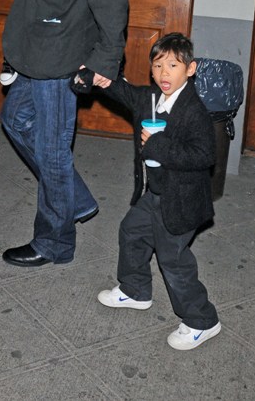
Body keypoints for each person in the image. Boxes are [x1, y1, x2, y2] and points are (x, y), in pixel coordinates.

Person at [1, 0, 129, 267]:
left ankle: (54, 242)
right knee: (15, 119)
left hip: (61, 50)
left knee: (52, 148)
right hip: (39, 46)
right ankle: (75, 199)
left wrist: (106, 57)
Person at [95, 32, 221, 351]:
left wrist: (157, 145)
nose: (164, 73)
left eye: (173, 66)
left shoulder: (194, 111)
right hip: (155, 194)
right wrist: (103, 80)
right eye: (158, 65)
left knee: (172, 259)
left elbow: (204, 155)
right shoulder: (152, 98)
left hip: (182, 201)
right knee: (132, 231)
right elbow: (126, 93)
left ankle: (202, 320)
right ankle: (135, 290)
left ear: (190, 69)